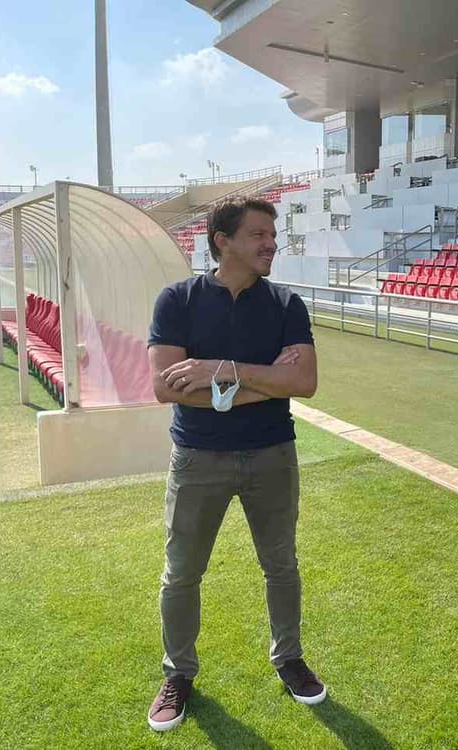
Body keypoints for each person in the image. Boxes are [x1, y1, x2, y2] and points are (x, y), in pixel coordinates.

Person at [144, 197, 324, 732]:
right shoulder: (176, 300)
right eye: (258, 235)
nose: (271, 243)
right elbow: (163, 386)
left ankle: (288, 659)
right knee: (182, 573)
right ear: (221, 240)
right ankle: (178, 672)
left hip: (273, 454)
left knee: (281, 566)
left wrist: (219, 372)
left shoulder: (287, 303)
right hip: (198, 458)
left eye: (272, 234)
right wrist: (263, 380)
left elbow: (305, 383)